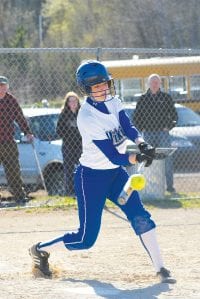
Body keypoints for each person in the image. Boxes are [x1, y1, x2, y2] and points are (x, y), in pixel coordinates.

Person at [29, 61, 176, 284]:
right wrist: (137, 156)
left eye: (105, 84)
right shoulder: (86, 117)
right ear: (86, 89)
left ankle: (161, 268)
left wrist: (141, 143)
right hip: (91, 179)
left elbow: (128, 127)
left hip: (115, 175)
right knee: (86, 239)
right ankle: (39, 250)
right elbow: (113, 155)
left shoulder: (114, 101)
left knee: (141, 217)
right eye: (96, 87)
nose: (102, 89)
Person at [134, 74, 178, 194]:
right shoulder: (143, 98)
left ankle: (170, 187)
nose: (154, 84)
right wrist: (141, 128)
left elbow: (174, 116)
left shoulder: (166, 97)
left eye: (157, 82)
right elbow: (136, 117)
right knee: (147, 158)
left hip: (163, 134)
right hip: (147, 133)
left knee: (167, 159)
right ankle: (149, 187)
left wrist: (168, 127)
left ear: (160, 84)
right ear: (148, 84)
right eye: (152, 82)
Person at [0, 76, 34, 204]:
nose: (2, 88)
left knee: (14, 170)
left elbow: (20, 117)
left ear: (7, 87)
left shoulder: (11, 100)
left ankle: (19, 196)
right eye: (0, 86)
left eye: (4, 86)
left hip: (8, 140)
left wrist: (28, 132)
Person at [56, 91, 82, 196]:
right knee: (69, 169)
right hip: (68, 146)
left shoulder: (82, 113)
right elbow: (59, 130)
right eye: (70, 101)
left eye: (75, 100)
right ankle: (69, 192)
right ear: (67, 103)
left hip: (81, 145)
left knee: (82, 168)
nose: (73, 103)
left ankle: (82, 190)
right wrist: (68, 135)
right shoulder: (63, 115)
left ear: (78, 102)